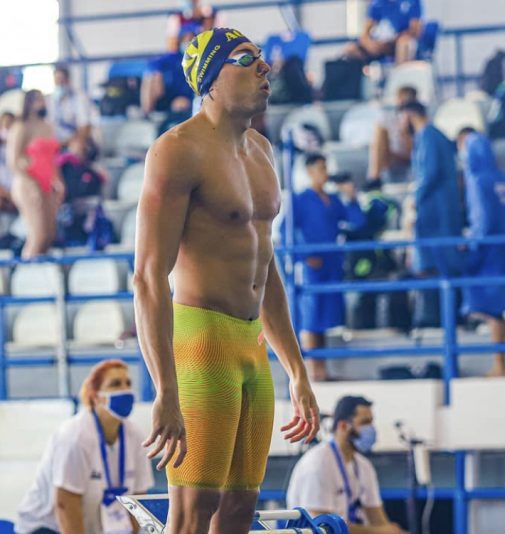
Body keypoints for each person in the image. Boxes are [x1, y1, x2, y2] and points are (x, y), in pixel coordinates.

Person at [134, 27, 320, 534]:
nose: (264, 67)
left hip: (251, 347)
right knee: (193, 511)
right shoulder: (177, 151)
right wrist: (164, 388)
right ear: (210, 81)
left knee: (240, 511)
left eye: (261, 57)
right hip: (202, 343)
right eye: (245, 59)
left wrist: (296, 370)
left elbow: (266, 267)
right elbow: (148, 277)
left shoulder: (261, 150)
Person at [15, 359, 154, 534]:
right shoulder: (75, 436)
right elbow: (65, 503)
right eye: (115, 384)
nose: (125, 389)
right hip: (46, 527)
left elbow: (138, 500)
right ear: (96, 396)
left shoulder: (135, 436)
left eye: (128, 383)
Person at [457, 128, 505, 377]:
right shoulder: (501, 178)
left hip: (489, 252)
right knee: (495, 306)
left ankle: (499, 363)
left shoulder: (478, 180)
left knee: (487, 306)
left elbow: (482, 221)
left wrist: (470, 243)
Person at [292, 155, 365, 382]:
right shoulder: (300, 200)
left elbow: (357, 222)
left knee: (324, 318)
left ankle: (322, 369)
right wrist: (304, 256)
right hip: (313, 266)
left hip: (333, 263)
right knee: (311, 316)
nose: (325, 172)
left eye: (326, 167)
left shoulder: (333, 200)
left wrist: (351, 197)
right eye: (321, 168)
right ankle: (312, 371)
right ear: (309, 171)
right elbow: (286, 231)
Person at [287, 396, 407, 534]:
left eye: (371, 422)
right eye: (365, 422)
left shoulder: (364, 466)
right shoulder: (318, 463)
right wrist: (378, 532)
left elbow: (379, 520)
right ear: (343, 426)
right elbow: (322, 527)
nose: (371, 429)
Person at [400, 101, 463, 279]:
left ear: (410, 115)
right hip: (439, 211)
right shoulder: (433, 136)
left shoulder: (428, 137)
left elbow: (429, 173)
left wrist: (415, 198)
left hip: (436, 213)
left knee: (436, 268)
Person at [7, 90, 64, 258]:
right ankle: (26, 270)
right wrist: (31, 182)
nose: (42, 103)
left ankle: (39, 270)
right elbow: (13, 161)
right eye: (38, 100)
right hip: (28, 184)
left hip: (47, 184)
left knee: (49, 236)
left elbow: (53, 159)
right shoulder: (21, 127)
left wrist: (59, 182)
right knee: (37, 236)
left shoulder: (47, 126)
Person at [56, 135, 108, 247]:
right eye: (80, 144)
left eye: (85, 145)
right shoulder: (64, 165)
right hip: (68, 208)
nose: (83, 148)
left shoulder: (91, 168)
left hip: (87, 208)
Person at [343, 0, 423, 65]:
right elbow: (365, 33)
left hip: (397, 42)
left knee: (403, 43)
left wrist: (393, 41)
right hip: (379, 44)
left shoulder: (412, 2)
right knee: (350, 50)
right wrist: (370, 45)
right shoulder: (377, 3)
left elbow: (415, 31)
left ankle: (399, 77)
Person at [141, 24, 197, 116]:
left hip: (191, 98)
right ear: (181, 41)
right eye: (186, 40)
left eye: (191, 40)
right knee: (150, 76)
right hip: (169, 96)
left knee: (181, 104)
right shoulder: (174, 57)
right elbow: (152, 65)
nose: (188, 43)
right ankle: (147, 113)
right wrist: (158, 75)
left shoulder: (200, 59)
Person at [367, 86, 418, 187]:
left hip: (409, 158)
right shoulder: (391, 119)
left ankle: (374, 178)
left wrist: (405, 131)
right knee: (380, 131)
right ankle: (374, 177)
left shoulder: (419, 119)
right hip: (392, 158)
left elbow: (415, 152)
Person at [48, 64, 95, 144]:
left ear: (68, 80)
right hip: (57, 142)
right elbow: (51, 124)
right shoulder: (52, 100)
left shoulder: (80, 97)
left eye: (62, 80)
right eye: (57, 81)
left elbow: (85, 126)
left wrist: (71, 142)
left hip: (76, 141)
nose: (59, 84)